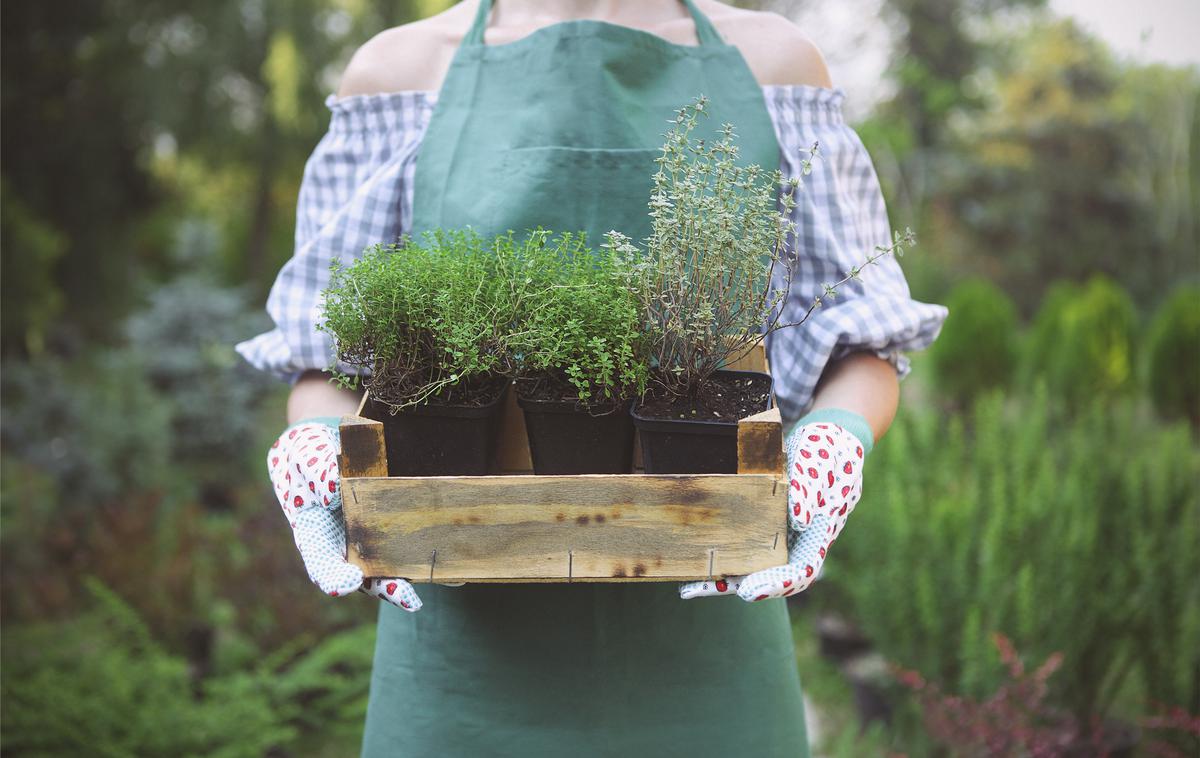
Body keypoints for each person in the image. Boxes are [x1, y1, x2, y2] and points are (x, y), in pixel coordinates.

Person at [237, 1, 949, 755]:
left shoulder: (774, 64)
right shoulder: (398, 74)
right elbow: (324, 356)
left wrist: (835, 437)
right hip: (460, 665)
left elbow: (864, 342)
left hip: (709, 651)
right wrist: (317, 438)